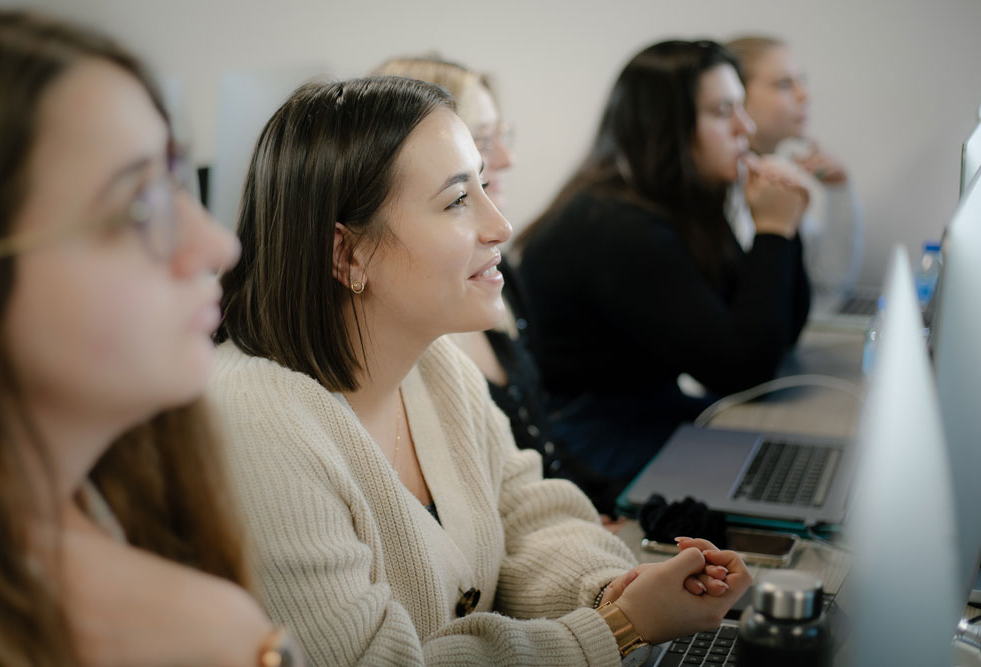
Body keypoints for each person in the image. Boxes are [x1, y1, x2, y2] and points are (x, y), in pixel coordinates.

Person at [209, 75, 751, 664]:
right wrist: (613, 630)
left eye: (484, 185)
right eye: (458, 200)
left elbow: (529, 516)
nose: (501, 225)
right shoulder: (256, 424)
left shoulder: (436, 365)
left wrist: (609, 587)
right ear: (347, 254)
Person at [0, 10, 301, 665]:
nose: (219, 244)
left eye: (177, 182)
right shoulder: (202, 635)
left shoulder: (122, 497)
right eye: (140, 207)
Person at [517, 40, 811, 491]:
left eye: (741, 109)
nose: (744, 127)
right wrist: (773, 232)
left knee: (798, 456)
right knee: (786, 474)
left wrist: (783, 230)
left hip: (646, 413)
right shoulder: (616, 226)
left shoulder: (677, 204)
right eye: (722, 112)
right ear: (666, 128)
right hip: (591, 440)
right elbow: (744, 369)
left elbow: (777, 332)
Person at [372, 55, 620, 514]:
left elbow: (539, 457)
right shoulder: (406, 341)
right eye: (482, 140)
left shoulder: (498, 279)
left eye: (500, 136)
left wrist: (616, 507)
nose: (505, 159)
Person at [726, 35, 864, 296]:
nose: (804, 95)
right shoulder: (727, 182)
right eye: (784, 84)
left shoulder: (774, 171)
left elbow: (830, 279)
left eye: (802, 81)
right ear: (735, 94)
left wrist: (840, 191)